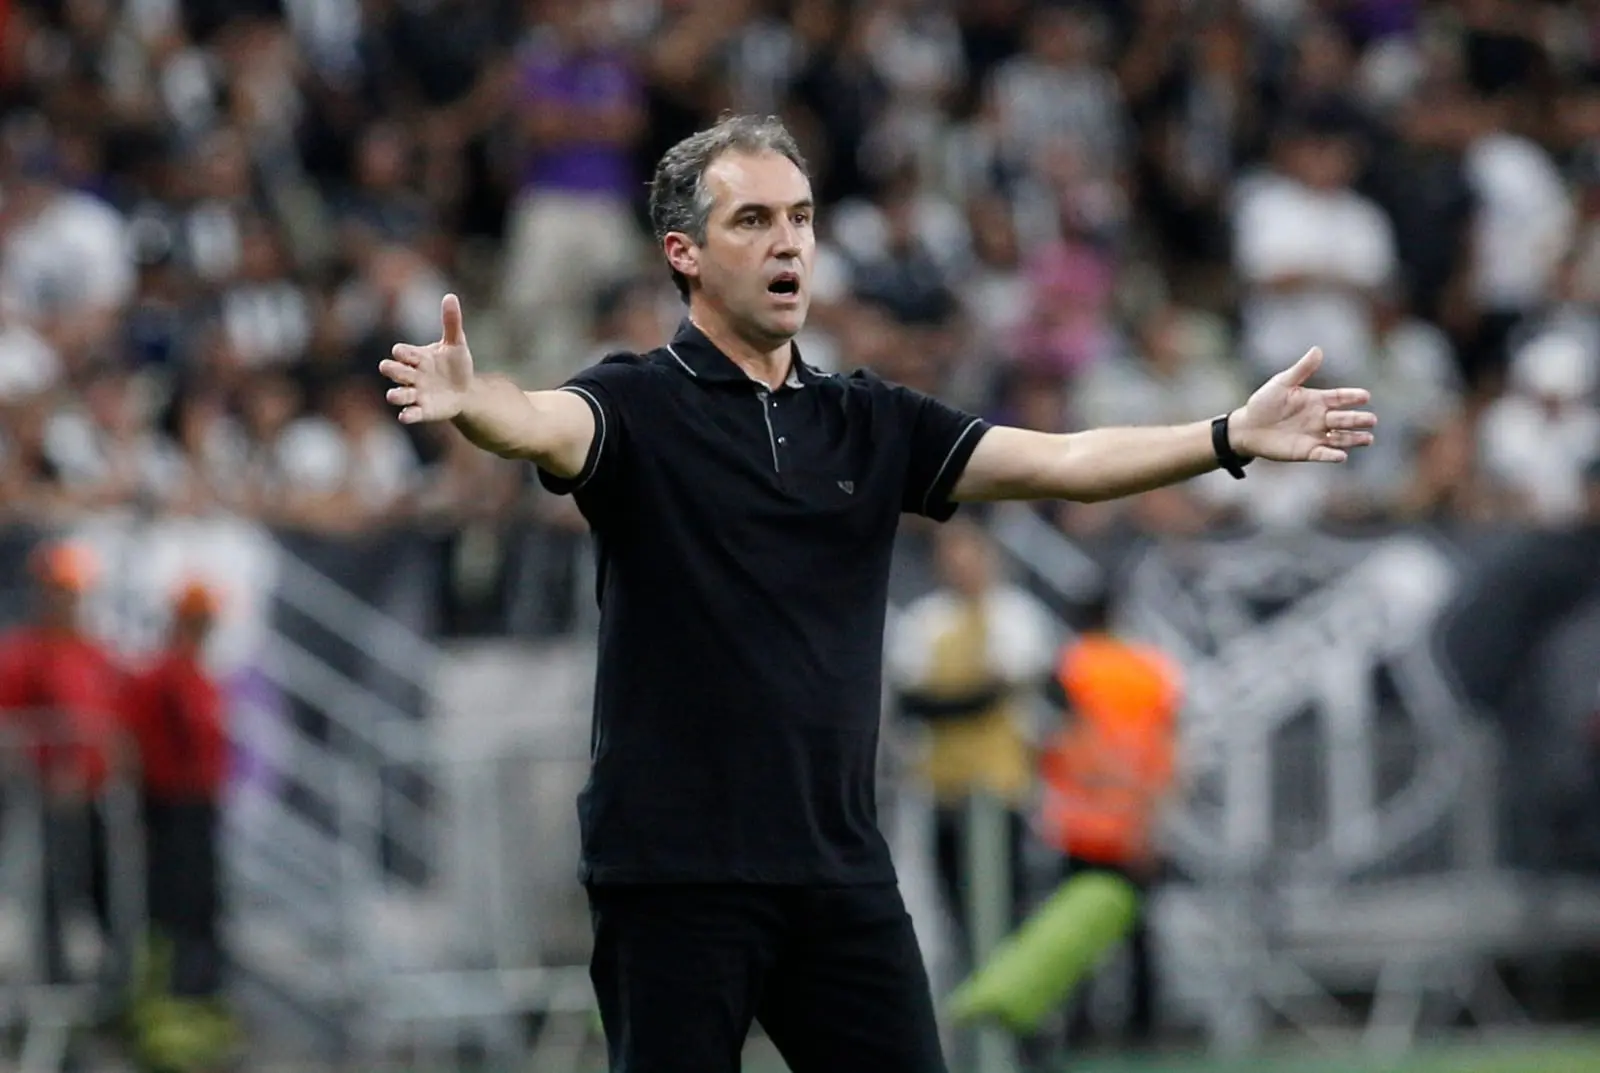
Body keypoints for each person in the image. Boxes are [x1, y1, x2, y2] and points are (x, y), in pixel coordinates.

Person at [378, 114, 1377, 1073]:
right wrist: (475, 404)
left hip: (837, 866)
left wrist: (1226, 437)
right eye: (752, 220)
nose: (788, 243)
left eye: (801, 218)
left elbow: (1068, 461)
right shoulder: (636, 401)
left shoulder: (869, 420)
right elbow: (542, 421)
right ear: (684, 252)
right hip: (674, 871)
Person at [885, 519, 1057, 966]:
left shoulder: (1017, 615)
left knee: (1007, 894)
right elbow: (914, 698)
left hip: (1003, 783)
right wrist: (964, 698)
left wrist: (953, 700)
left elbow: (1000, 690)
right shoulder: (926, 620)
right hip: (942, 783)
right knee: (952, 896)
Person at [1037, 628, 1183, 1052]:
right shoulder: (1149, 670)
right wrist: (1151, 825)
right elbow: (1168, 752)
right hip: (1132, 827)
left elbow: (1053, 748)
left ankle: (1081, 1028)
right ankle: (1143, 1029)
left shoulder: (1074, 666)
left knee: (1077, 936)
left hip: (1083, 831)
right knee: (1138, 938)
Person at [0, 541, 124, 1004]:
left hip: (94, 800)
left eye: (70, 591)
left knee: (101, 892)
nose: (63, 600)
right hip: (37, 804)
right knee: (47, 897)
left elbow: (113, 724)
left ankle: (105, 990)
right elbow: (10, 730)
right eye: (55, 589)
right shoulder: (21, 653)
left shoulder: (95, 653)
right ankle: (50, 992)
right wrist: (42, 771)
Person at [120, 578, 236, 1065]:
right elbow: (134, 741)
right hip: (169, 808)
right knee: (174, 913)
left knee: (203, 910)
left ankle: (202, 1012)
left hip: (200, 808)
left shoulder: (200, 678)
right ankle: (167, 1016)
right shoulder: (163, 678)